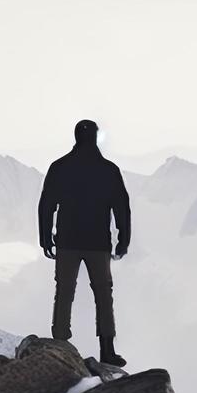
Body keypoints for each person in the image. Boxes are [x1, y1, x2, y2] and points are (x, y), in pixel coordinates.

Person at [39, 119, 132, 367]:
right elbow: (122, 207)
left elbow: (47, 204)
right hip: (98, 243)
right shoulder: (109, 170)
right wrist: (123, 240)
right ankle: (107, 349)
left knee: (64, 291)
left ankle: (59, 342)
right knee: (103, 294)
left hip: (67, 241)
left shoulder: (60, 167)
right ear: (95, 137)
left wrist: (45, 237)